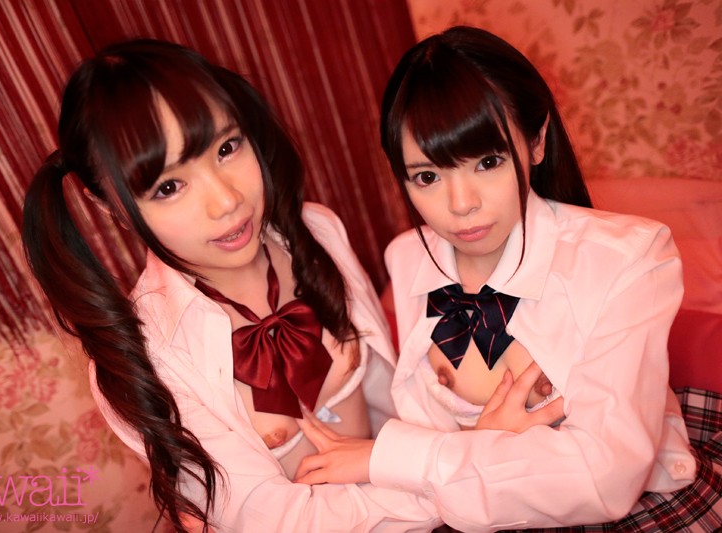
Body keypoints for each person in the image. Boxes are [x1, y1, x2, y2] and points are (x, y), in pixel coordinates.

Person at [296, 26, 722, 531]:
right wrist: (471, 451)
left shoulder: (629, 258)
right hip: (463, 507)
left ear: (536, 141)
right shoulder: (407, 256)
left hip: (636, 508)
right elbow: (421, 423)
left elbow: (605, 480)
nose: (461, 204)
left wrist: (404, 456)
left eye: (488, 162)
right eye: (427, 177)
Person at [21, 38, 444, 532]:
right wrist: (453, 478)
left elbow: (390, 397)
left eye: (226, 148)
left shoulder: (316, 231)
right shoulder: (145, 360)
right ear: (107, 205)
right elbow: (278, 522)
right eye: (169, 187)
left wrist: (457, 445)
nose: (226, 201)